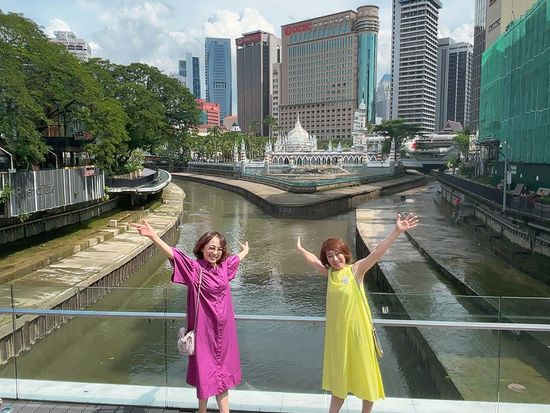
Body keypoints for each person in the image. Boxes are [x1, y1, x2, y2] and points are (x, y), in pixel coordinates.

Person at [295, 212, 418, 413]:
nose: (335, 259)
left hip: (359, 334)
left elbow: (377, 252)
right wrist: (301, 251)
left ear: (345, 252)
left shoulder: (356, 270)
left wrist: (396, 231)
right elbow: (313, 261)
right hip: (338, 338)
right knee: (339, 381)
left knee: (365, 377)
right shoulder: (330, 274)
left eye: (337, 253)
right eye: (330, 256)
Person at [132, 219, 249, 413]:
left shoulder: (224, 267)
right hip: (204, 332)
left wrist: (246, 250)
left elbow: (236, 258)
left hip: (225, 332)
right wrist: (153, 236)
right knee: (205, 374)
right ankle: (202, 411)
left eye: (220, 249)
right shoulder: (196, 269)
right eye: (211, 248)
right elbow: (175, 255)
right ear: (202, 248)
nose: (215, 252)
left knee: (223, 375)